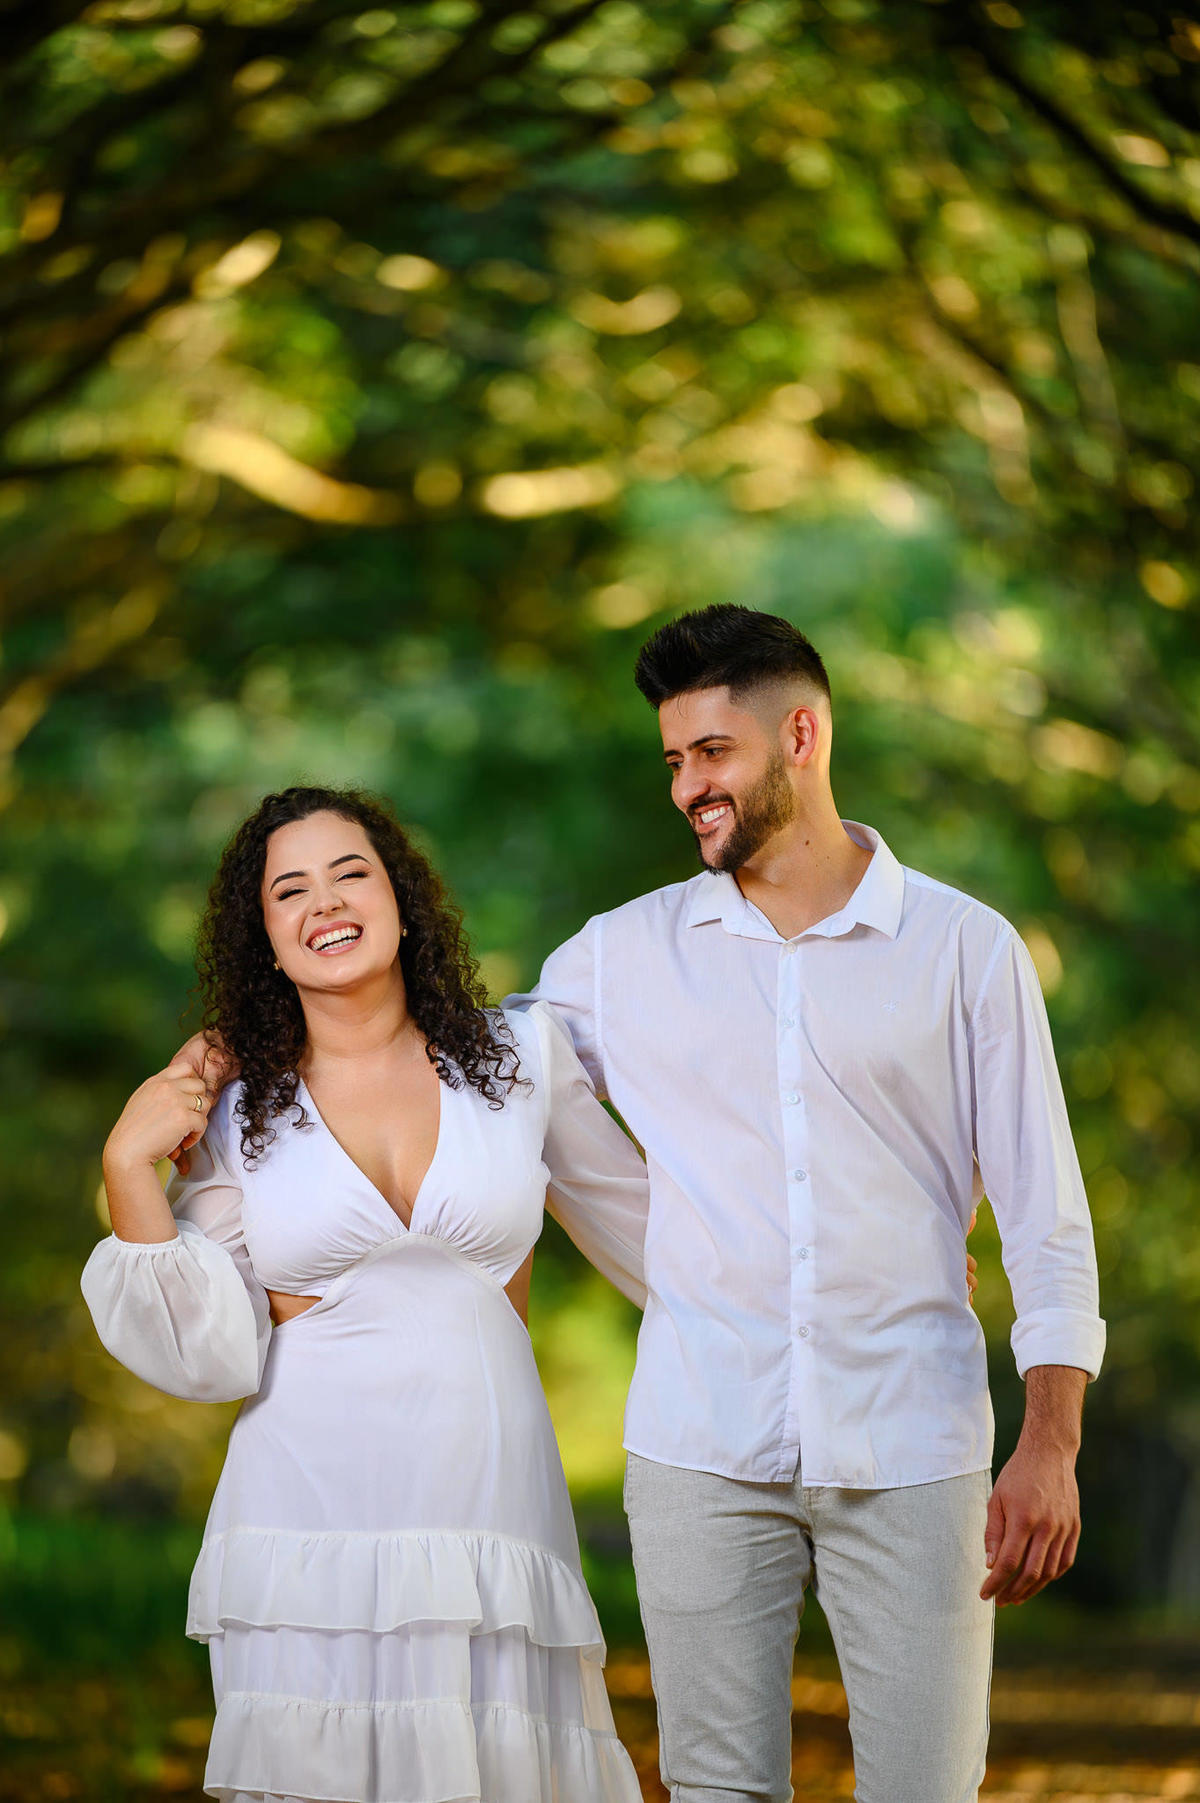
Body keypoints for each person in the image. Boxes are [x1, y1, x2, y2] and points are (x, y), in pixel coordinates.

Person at [508, 604, 1106, 1803]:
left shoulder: (966, 950)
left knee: (926, 1789)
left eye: (711, 752)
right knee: (716, 1790)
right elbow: (476, 1078)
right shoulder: (620, 956)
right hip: (699, 1442)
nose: (687, 787)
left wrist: (1050, 1444)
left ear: (800, 735)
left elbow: (1046, 1213)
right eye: (673, 761)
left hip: (915, 1441)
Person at [81, 785, 648, 1803]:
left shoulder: (519, 1059)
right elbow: (210, 1352)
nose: (325, 903)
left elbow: (658, 1237)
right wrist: (130, 1164)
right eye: (289, 890)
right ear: (265, 938)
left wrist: (847, 1283)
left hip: (490, 1510)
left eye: (350, 873)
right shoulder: (237, 1108)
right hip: (306, 1520)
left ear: (402, 899)